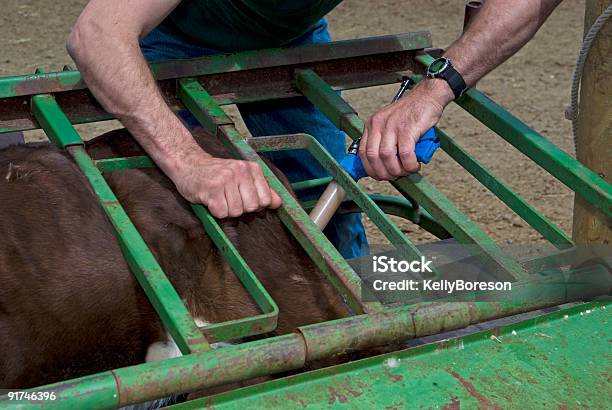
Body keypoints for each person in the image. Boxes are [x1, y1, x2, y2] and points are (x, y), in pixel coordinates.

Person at [66, 0, 562, 259]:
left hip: (292, 37)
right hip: (168, 41)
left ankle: (343, 323)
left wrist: (437, 87)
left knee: (337, 202)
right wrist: (190, 162)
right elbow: (98, 34)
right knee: (184, 220)